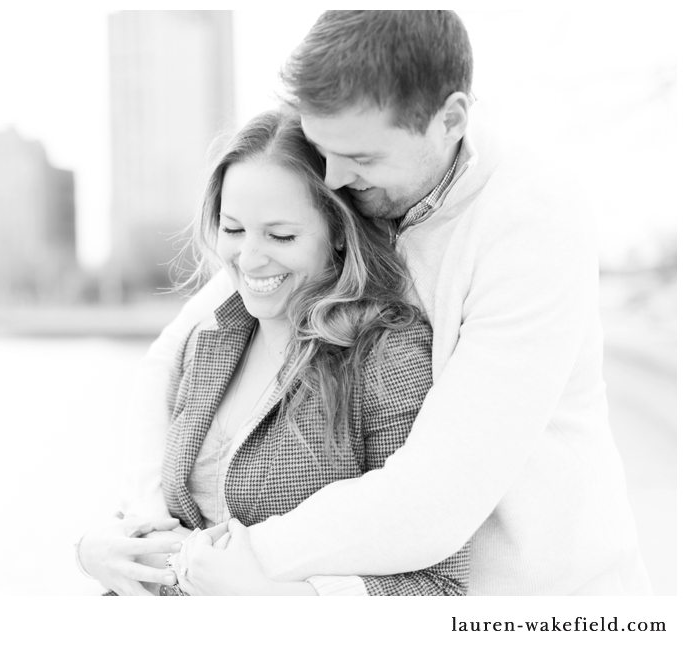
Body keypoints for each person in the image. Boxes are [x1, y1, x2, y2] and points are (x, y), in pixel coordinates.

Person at [84, 10, 652, 596]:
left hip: (544, 601)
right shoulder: (356, 183)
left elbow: (436, 496)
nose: (331, 178)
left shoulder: (531, 219)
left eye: (359, 158)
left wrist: (227, 558)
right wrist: (138, 529)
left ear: (450, 119)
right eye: (322, 148)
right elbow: (171, 354)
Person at [78, 108, 470, 595]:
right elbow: (157, 519)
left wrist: (270, 600)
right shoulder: (205, 343)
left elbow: (441, 586)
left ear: (339, 236)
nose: (249, 258)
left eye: (280, 235)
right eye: (234, 229)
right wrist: (95, 550)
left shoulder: (387, 355)